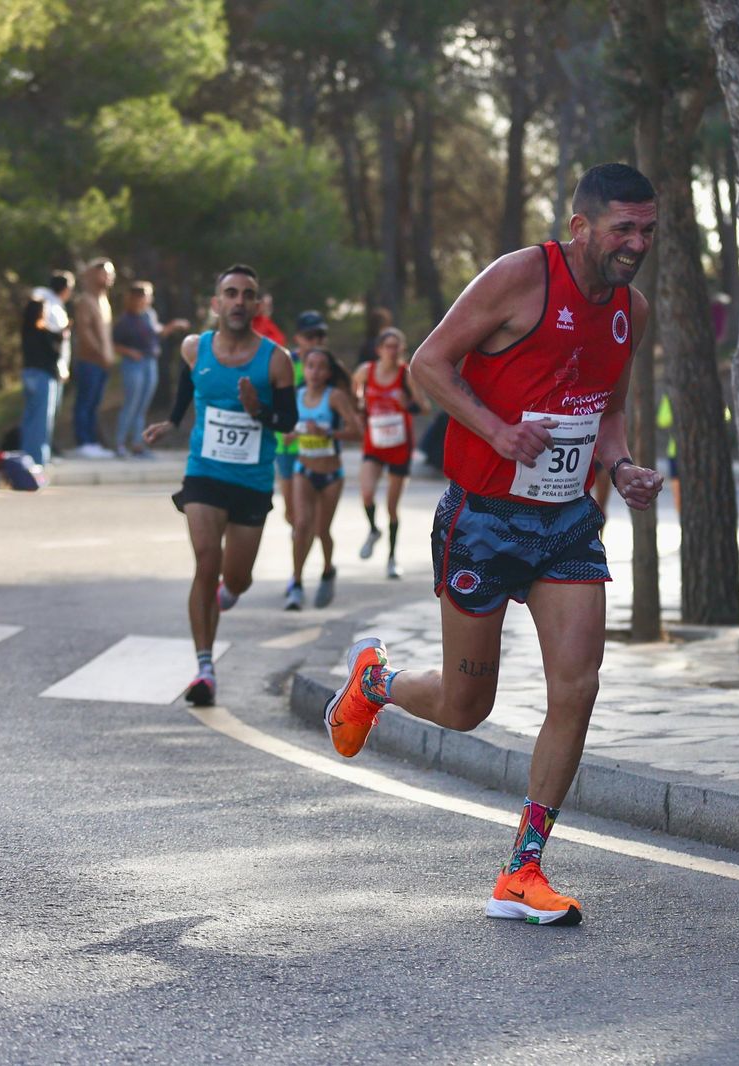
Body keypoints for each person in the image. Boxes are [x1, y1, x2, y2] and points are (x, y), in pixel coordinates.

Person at [320, 162, 662, 926]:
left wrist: (621, 467)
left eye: (648, 230)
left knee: (577, 687)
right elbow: (428, 364)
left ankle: (521, 870)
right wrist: (499, 432)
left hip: (566, 523)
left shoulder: (631, 311)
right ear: (580, 227)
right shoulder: (520, 278)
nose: (638, 244)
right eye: (623, 229)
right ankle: (375, 682)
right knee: (465, 705)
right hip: (482, 518)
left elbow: (606, 412)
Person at [142, 264, 297, 706]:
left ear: (257, 305)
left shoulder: (276, 360)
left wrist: (257, 410)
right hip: (204, 473)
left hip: (251, 482)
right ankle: (204, 668)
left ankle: (230, 592)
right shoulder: (195, 348)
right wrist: (172, 422)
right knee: (206, 560)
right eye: (231, 293)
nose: (238, 301)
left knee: (238, 578)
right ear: (216, 303)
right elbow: (187, 387)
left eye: (247, 294)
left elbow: (288, 421)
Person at [284, 347, 362, 610]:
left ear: (328, 373)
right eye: (310, 366)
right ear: (304, 370)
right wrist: (292, 434)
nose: (315, 372)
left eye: (321, 367)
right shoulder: (297, 396)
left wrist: (328, 433)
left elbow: (357, 432)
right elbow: (288, 431)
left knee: (321, 530)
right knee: (301, 525)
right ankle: (296, 583)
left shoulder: (335, 397)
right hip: (303, 470)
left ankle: (328, 571)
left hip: (331, 475)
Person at [353, 327, 424, 578]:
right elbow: (355, 389)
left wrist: (408, 404)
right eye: (388, 346)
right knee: (366, 493)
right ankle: (374, 530)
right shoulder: (366, 371)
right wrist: (360, 403)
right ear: (379, 349)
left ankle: (392, 559)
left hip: (399, 447)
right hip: (374, 443)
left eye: (396, 346)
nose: (392, 351)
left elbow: (424, 407)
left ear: (401, 349)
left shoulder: (406, 375)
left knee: (392, 508)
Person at [113, 281, 189, 459]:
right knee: (131, 403)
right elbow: (115, 344)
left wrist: (173, 325)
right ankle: (120, 444)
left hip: (150, 362)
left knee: (142, 406)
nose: (148, 300)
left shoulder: (149, 315)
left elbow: (157, 332)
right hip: (133, 364)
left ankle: (137, 445)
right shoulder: (125, 320)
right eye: (144, 296)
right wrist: (130, 352)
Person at [276, 310, 329, 529]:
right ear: (297, 337)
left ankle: (305, 544)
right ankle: (299, 538)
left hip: (316, 445)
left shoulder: (329, 366)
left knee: (311, 513)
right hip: (287, 444)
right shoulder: (285, 362)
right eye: (309, 336)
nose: (315, 341)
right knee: (291, 512)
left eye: (320, 336)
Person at [18, 271, 75, 467]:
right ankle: (38, 460)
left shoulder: (28, 330)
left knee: (31, 417)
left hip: (29, 372)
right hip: (44, 375)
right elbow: (54, 349)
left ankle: (27, 457)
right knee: (42, 419)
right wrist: (62, 334)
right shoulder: (45, 331)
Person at [70, 258, 117, 459]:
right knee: (85, 401)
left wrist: (109, 355)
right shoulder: (85, 300)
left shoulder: (104, 301)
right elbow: (85, 332)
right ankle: (83, 442)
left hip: (103, 362)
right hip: (89, 360)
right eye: (104, 273)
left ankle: (92, 441)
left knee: (95, 403)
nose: (108, 277)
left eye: (110, 273)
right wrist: (100, 353)